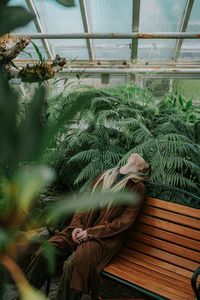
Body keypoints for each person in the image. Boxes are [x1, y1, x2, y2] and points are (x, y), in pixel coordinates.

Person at [25, 153, 149, 300]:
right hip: (81, 229)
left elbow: (123, 223)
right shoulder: (105, 176)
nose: (139, 154)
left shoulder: (137, 188)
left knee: (74, 264)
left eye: (144, 159)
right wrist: (77, 226)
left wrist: (90, 233)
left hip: (104, 238)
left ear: (142, 169)